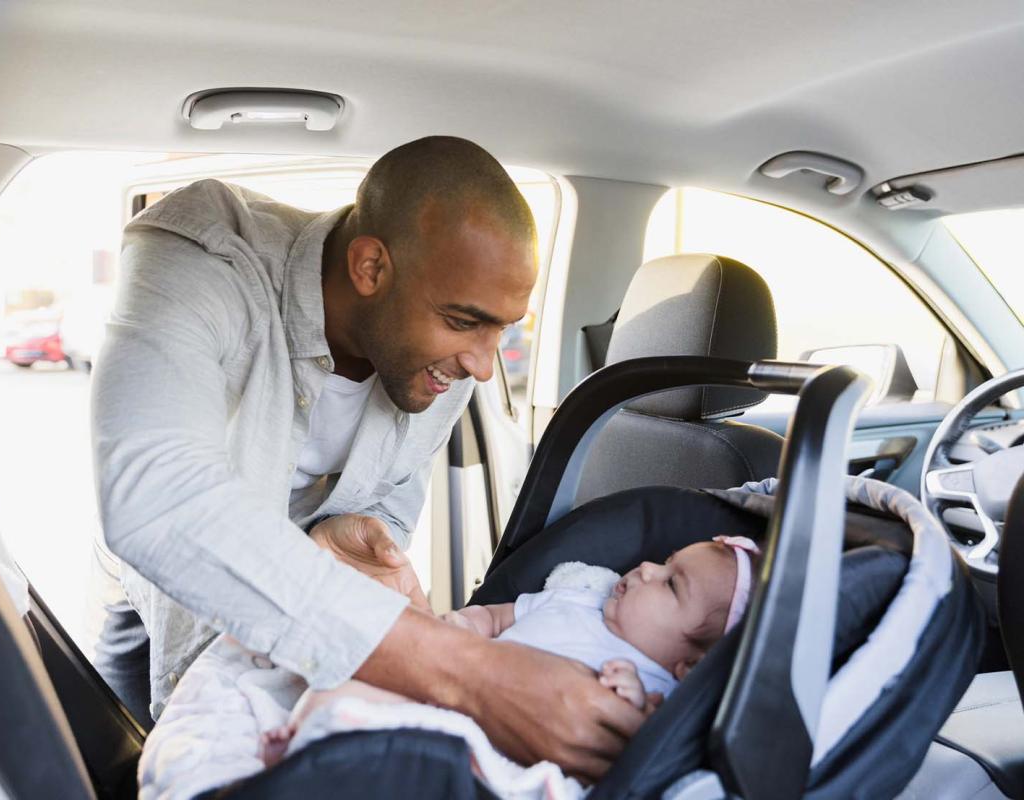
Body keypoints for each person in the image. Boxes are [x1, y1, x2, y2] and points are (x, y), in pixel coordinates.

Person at [92, 136, 646, 781]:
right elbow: (155, 494)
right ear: (371, 267)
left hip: (306, 626)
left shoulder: (451, 360)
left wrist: (351, 535)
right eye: (464, 321)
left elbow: (392, 494)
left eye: (502, 329)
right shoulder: (204, 257)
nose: (482, 367)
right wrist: (472, 674)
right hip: (160, 586)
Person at [259, 536, 761, 766]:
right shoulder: (581, 595)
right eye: (666, 560)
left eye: (672, 585)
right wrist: (459, 626)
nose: (649, 568)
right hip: (443, 685)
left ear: (691, 664)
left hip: (510, 745)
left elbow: (639, 743)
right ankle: (304, 731)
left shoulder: (658, 686)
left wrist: (637, 702)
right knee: (350, 678)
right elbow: (498, 617)